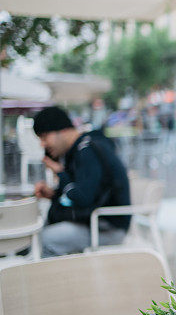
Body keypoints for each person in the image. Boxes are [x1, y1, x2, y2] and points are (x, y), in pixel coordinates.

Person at [33, 106, 131, 257]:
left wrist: (60, 173)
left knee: (44, 240)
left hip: (106, 228)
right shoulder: (84, 146)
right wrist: (53, 195)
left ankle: (55, 280)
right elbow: (89, 192)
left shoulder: (87, 150)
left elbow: (83, 198)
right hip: (97, 223)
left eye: (44, 137)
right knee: (42, 232)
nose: (42, 144)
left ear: (63, 129)